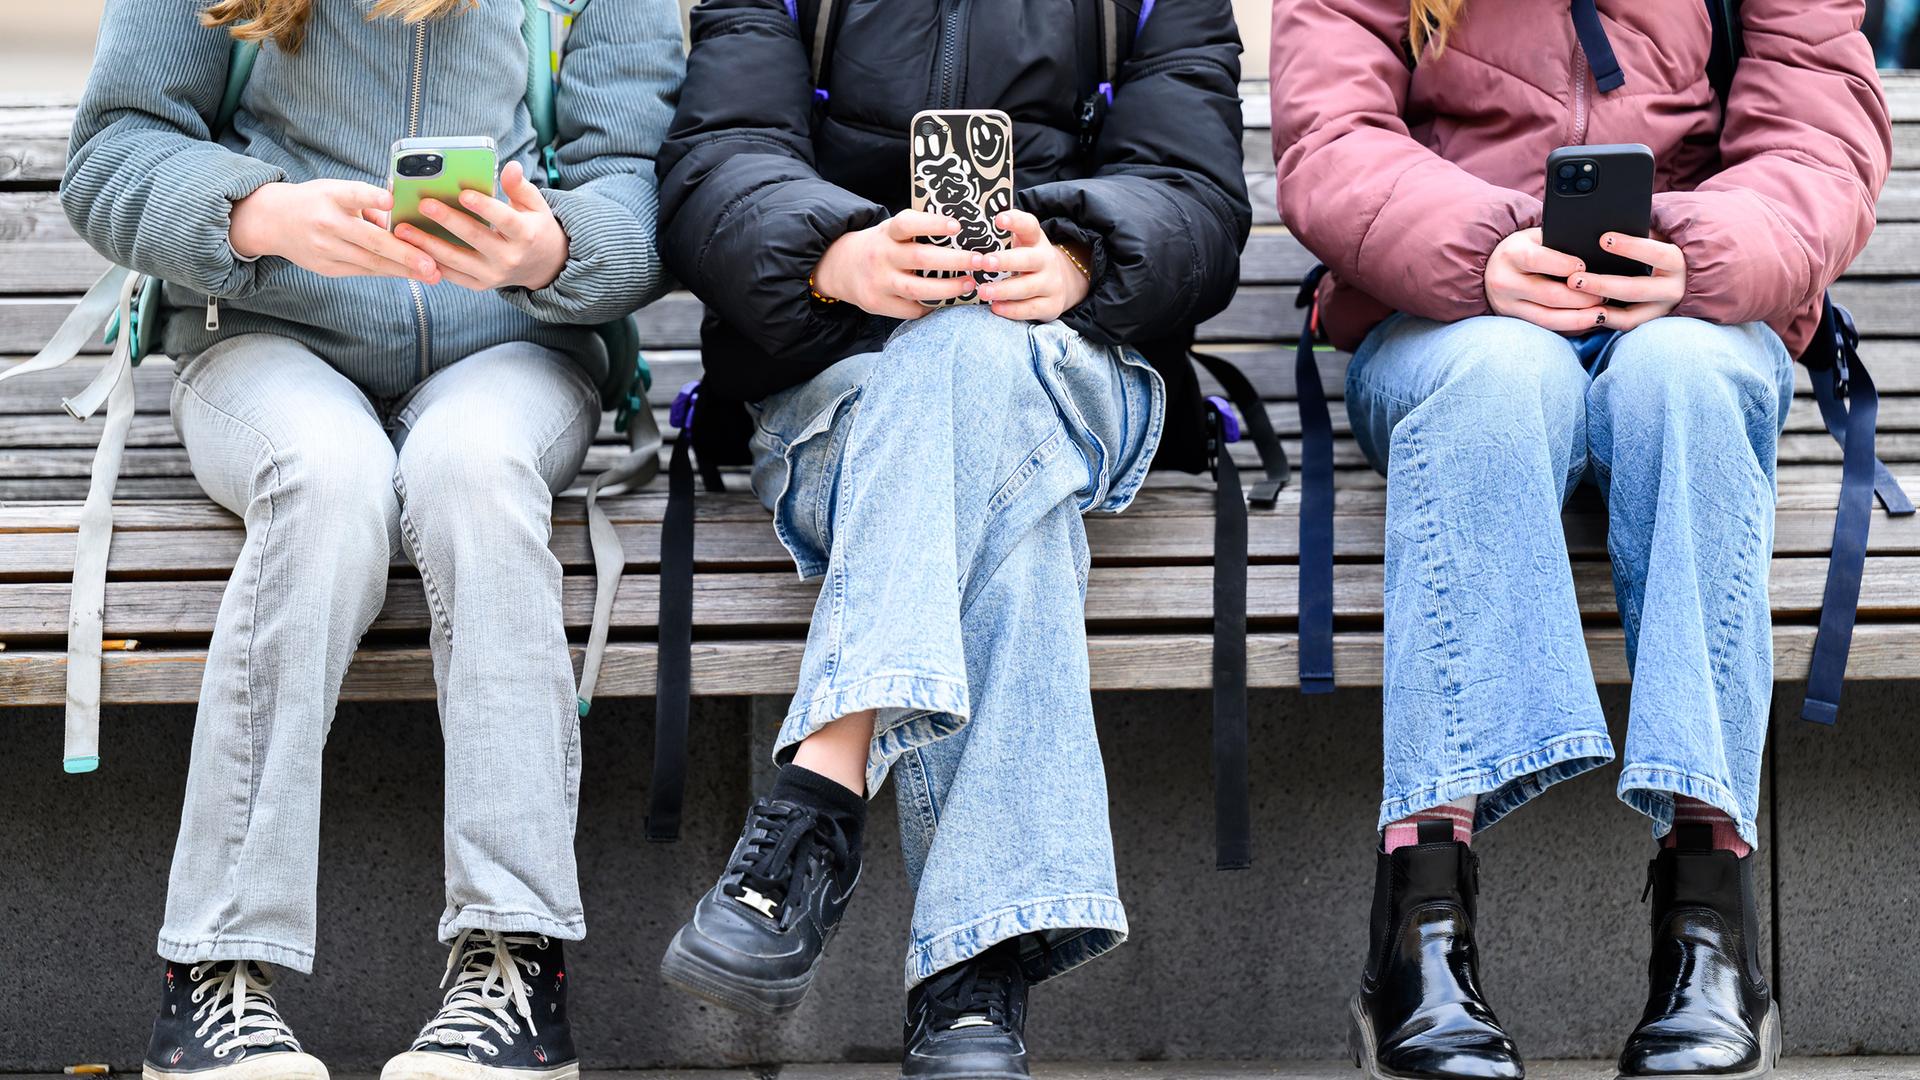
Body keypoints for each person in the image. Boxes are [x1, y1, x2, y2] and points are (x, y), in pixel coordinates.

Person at [61, 0, 681, 1076]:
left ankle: (515, 972)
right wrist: (255, 215)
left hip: (515, 352)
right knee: (327, 475)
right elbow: (111, 154)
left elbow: (636, 192)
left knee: (475, 472)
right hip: (264, 346)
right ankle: (210, 983)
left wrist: (551, 248)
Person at [1271, 2, 1886, 1078]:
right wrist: (1486, 249)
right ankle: (1419, 935)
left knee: (1686, 384)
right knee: (1496, 380)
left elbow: (1818, 133)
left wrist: (1694, 252)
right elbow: (1333, 135)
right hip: (1451, 317)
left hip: (1691, 312)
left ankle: (1712, 929)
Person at [650, 0, 1250, 1075]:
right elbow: (719, 164)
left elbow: (1196, 199)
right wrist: (836, 258)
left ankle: (822, 792)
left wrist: (1078, 257)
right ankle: (972, 988)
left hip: (1079, 379)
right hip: (839, 398)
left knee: (972, 349)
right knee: (1015, 532)